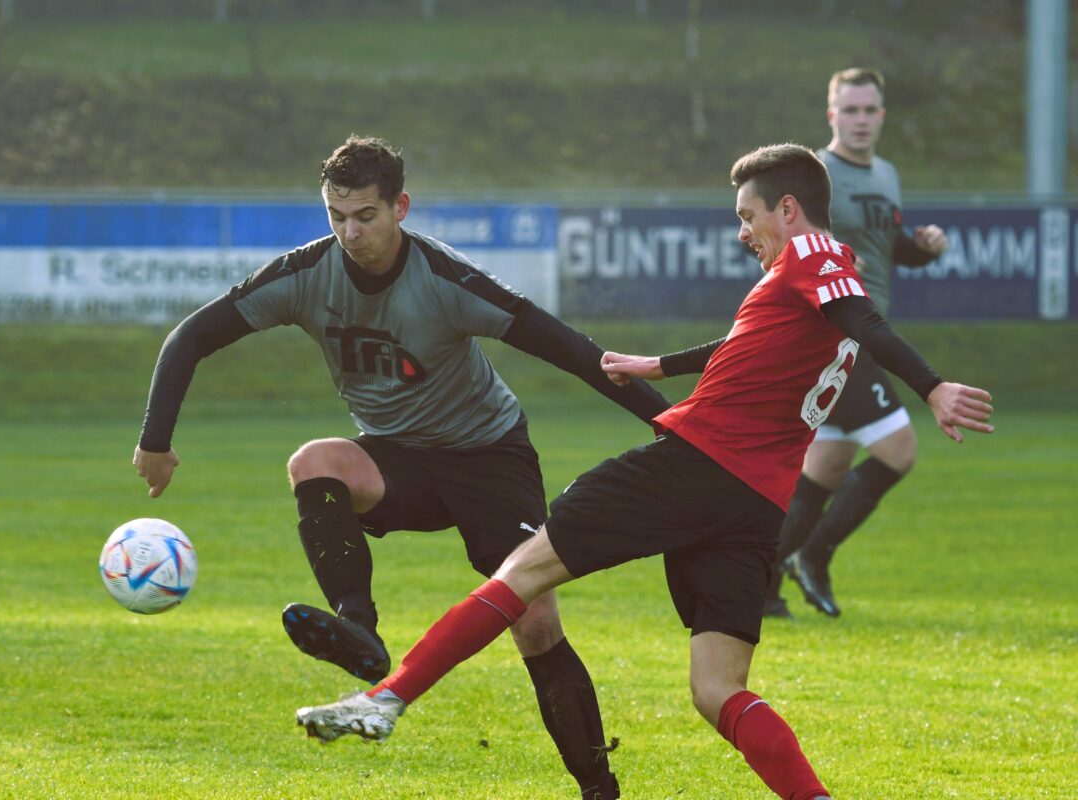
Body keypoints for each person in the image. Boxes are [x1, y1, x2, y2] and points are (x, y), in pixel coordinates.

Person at [294, 143, 994, 800]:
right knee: (718, 689)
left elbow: (866, 323)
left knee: (521, 572)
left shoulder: (811, 251)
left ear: (788, 208)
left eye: (749, 217)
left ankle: (385, 701)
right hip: (757, 502)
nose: (745, 233)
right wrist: (657, 366)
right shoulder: (812, 273)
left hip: (695, 467)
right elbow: (755, 340)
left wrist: (931, 387)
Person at [133, 135, 671, 800]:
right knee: (315, 462)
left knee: (534, 624)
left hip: (488, 457)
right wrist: (156, 438)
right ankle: (358, 627)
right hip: (398, 460)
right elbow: (191, 336)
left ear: (401, 208)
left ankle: (598, 785)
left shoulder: (448, 281)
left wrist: (668, 419)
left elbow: (570, 350)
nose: (349, 232)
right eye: (336, 215)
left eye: (365, 216)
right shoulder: (304, 275)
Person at [766, 68, 950, 619]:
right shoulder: (814, 176)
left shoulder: (887, 174)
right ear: (832, 116)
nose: (861, 120)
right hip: (833, 333)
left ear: (882, 115)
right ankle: (813, 556)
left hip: (864, 330)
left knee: (825, 467)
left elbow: (885, 245)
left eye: (870, 110)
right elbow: (782, 244)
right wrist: (832, 260)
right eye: (850, 111)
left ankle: (764, 582)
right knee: (898, 450)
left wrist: (922, 248)